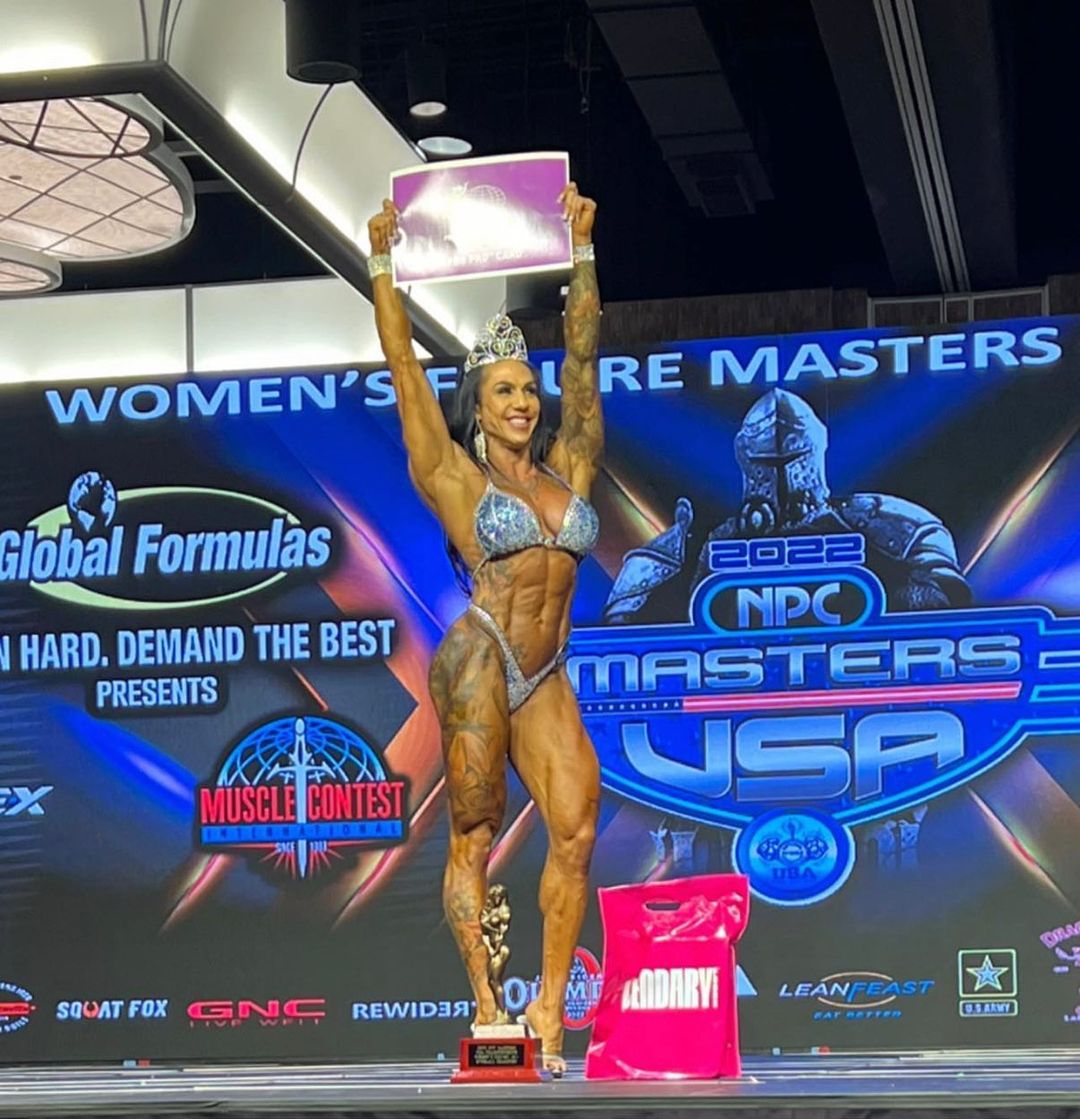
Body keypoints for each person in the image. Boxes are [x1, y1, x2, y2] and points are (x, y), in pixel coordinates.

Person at [367, 183, 602, 1076]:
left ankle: (549, 1009)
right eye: (506, 390)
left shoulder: (569, 467)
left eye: (528, 389)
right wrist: (383, 262)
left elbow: (584, 361)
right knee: (476, 829)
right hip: (480, 656)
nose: (525, 401)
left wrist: (581, 253)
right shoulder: (455, 476)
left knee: (575, 827)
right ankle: (487, 1002)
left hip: (545, 669)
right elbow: (402, 364)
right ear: (478, 399)